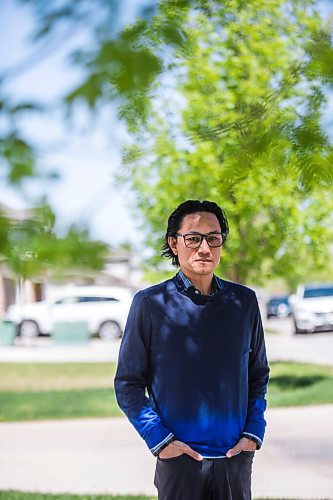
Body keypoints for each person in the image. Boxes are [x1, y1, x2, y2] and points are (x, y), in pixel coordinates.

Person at [114, 199, 269, 500]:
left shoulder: (244, 302)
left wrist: (253, 434)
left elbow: (258, 376)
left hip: (235, 459)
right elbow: (128, 383)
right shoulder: (150, 304)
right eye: (193, 238)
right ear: (174, 243)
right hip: (179, 461)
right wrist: (161, 441)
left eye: (214, 238)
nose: (204, 248)